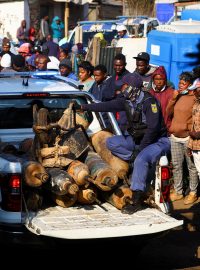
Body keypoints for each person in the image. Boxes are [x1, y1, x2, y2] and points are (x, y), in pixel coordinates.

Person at [73, 72, 169, 214]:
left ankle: (136, 199)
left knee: (141, 159)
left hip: (157, 141)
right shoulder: (127, 100)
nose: (121, 89)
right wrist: (84, 107)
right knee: (112, 142)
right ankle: (133, 160)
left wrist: (140, 150)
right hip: (138, 140)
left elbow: (153, 129)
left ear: (133, 87)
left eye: (124, 86)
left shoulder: (150, 103)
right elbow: (107, 106)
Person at [166, 71, 198, 205]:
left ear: (190, 85)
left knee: (191, 167)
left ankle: (193, 192)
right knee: (177, 166)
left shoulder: (194, 98)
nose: (180, 86)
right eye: (179, 83)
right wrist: (173, 98)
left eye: (183, 83)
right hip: (175, 137)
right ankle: (178, 192)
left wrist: (190, 132)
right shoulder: (177, 96)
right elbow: (168, 112)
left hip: (187, 138)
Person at [149, 66, 174, 132]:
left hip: (166, 130)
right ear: (153, 80)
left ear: (165, 80)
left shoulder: (171, 93)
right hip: (151, 130)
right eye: (156, 79)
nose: (159, 82)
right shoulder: (149, 93)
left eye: (161, 79)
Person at [187, 78, 200, 191]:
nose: (193, 92)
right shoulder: (196, 103)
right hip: (196, 144)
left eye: (195, 90)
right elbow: (194, 125)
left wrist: (198, 134)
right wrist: (189, 145)